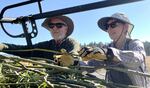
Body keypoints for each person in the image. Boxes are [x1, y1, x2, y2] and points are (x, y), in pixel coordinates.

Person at [79, 13, 149, 87]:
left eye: (113, 25)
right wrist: (76, 63)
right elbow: (91, 66)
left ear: (125, 27)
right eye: (107, 26)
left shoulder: (134, 43)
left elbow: (137, 59)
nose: (109, 29)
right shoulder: (107, 48)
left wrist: (108, 53)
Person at [0, 15, 80, 66]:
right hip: (49, 77)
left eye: (59, 25)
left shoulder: (72, 43)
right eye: (51, 26)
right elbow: (26, 50)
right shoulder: (46, 45)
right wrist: (3, 46)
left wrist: (47, 63)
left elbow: (74, 57)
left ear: (66, 28)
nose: (54, 28)